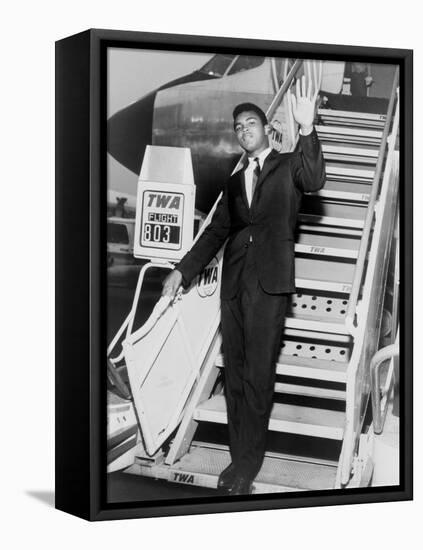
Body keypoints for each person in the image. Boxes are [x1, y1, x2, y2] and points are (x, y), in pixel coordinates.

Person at [162, 75, 326, 495]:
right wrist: (182, 270)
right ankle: (238, 457)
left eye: (250, 123)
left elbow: (315, 180)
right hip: (233, 286)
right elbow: (217, 232)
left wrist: (307, 128)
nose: (243, 131)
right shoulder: (234, 183)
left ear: (267, 129)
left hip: (269, 285)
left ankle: (248, 464)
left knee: (257, 374)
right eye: (238, 127)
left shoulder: (289, 165)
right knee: (234, 376)